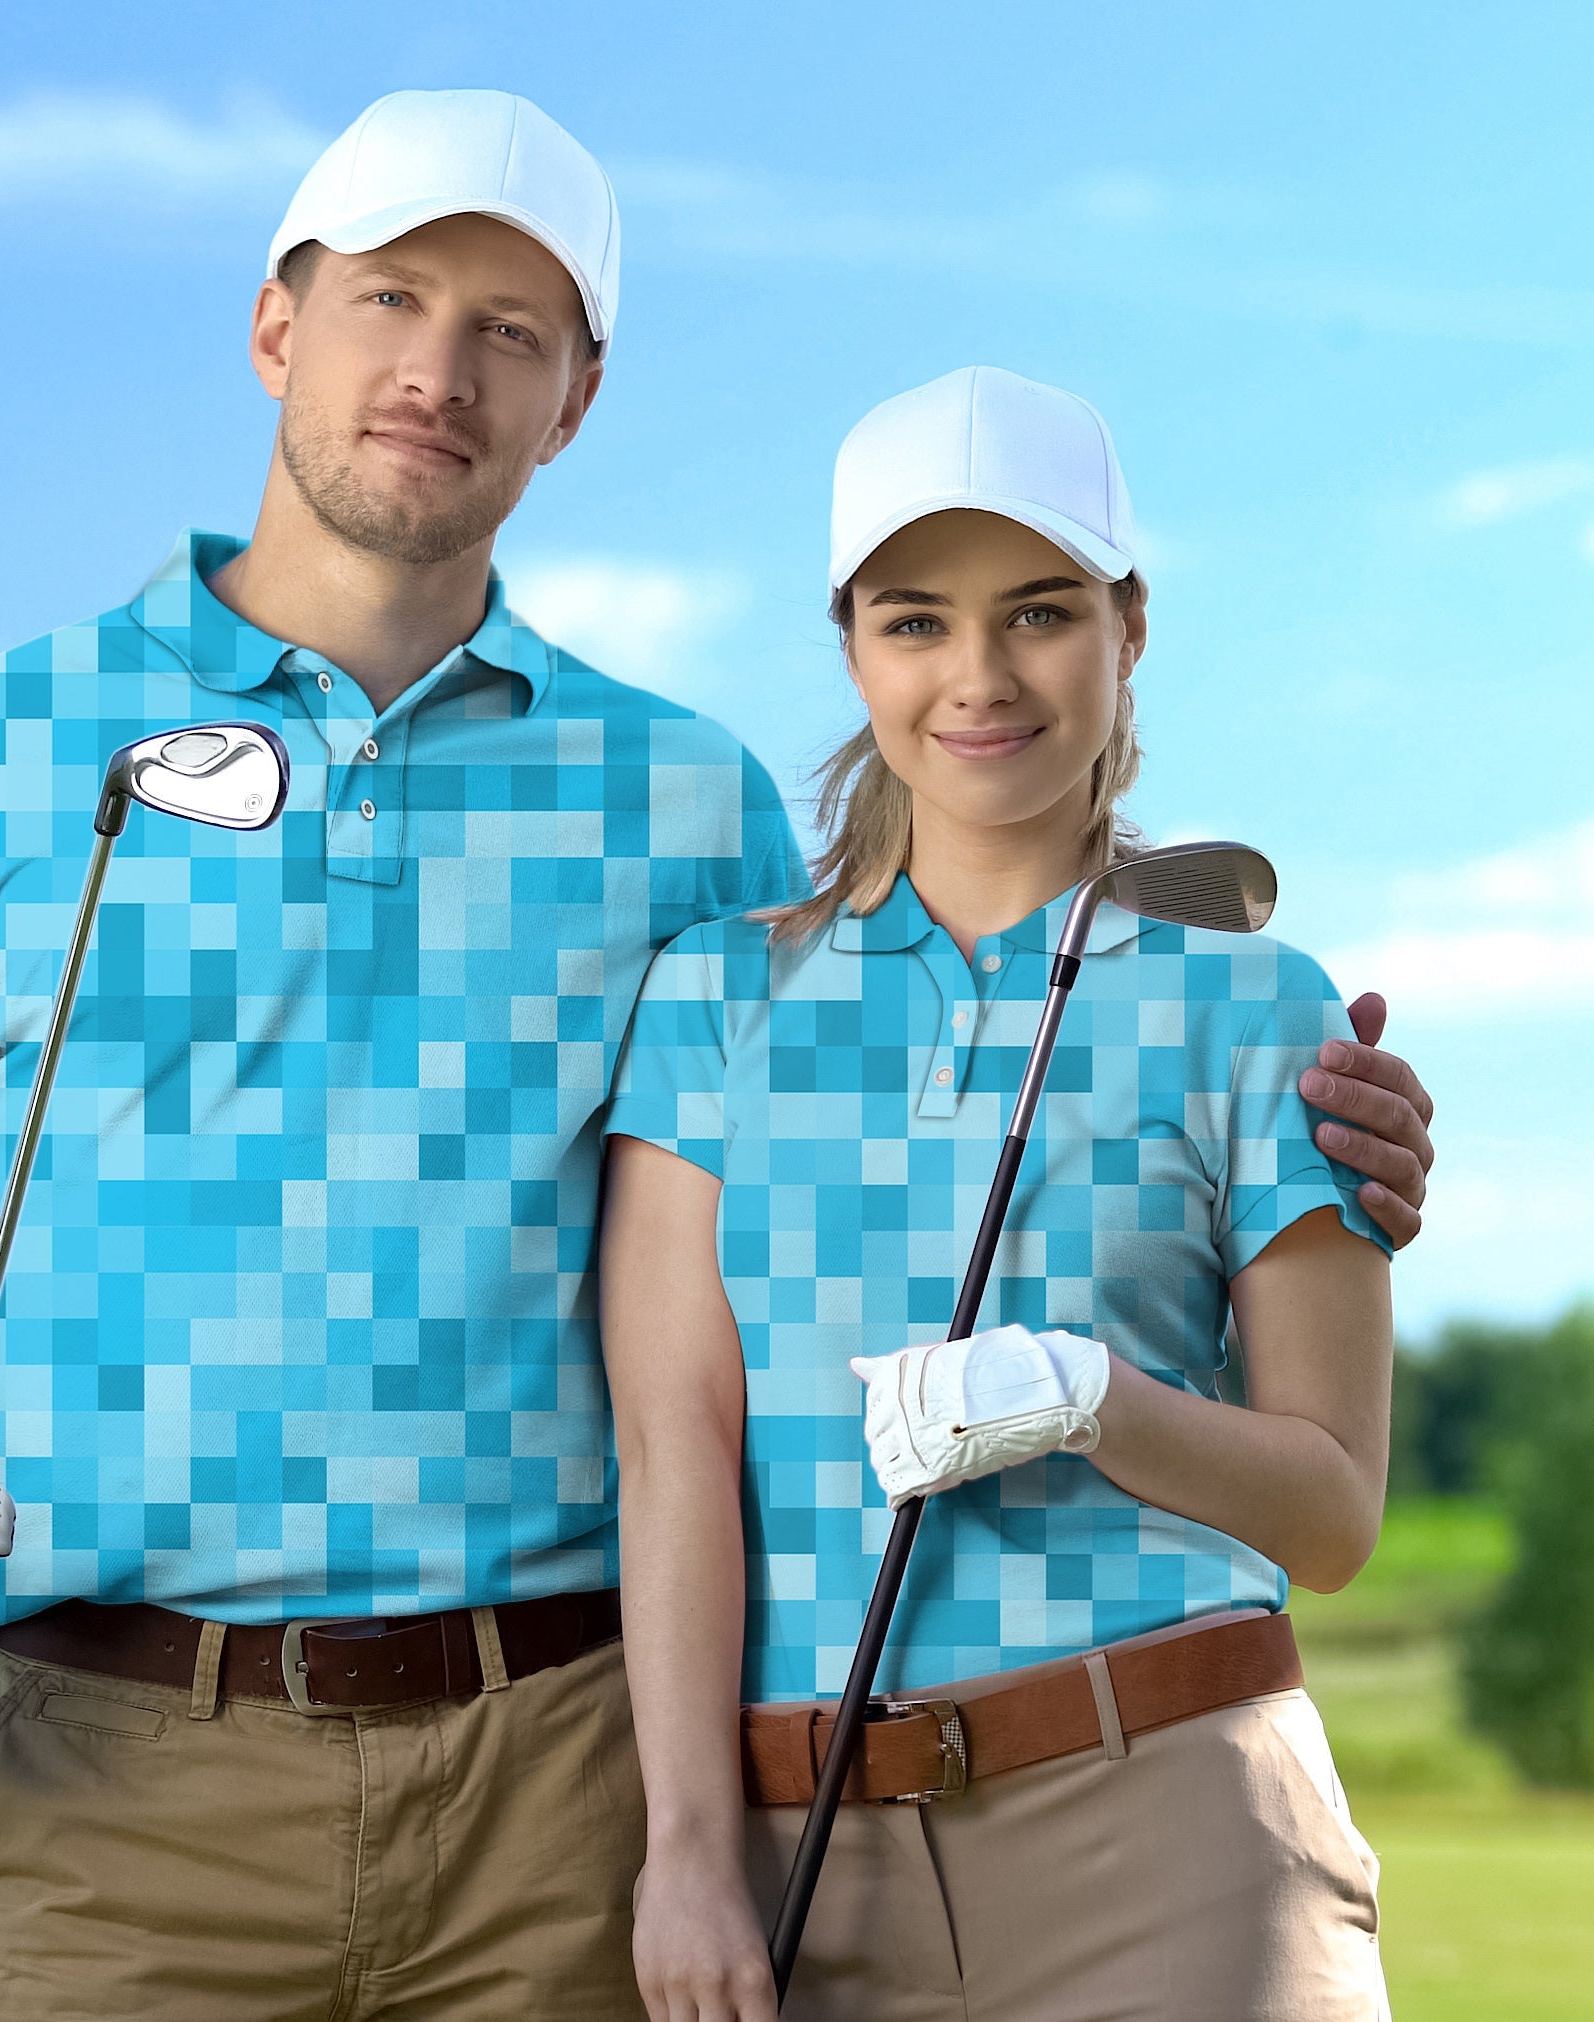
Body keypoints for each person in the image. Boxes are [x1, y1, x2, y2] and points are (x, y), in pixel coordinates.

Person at [0, 87, 1433, 2019]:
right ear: (276, 324)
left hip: (562, 1779)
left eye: (508, 331)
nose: (437, 371)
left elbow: (901, 1053)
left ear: (576, 396)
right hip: (109, 1785)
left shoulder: (678, 797)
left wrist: (1283, 1105)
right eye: (388, 300)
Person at [601, 367, 1404, 2020]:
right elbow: (672, 1445)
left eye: (1037, 612)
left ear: (1126, 627)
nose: (977, 677)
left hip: (1175, 1820)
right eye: (915, 621)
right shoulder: (710, 1006)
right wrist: (683, 1843)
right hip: (805, 1853)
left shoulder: (1255, 1004)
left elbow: (1328, 1515)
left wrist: (1086, 1397)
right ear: (849, 646)